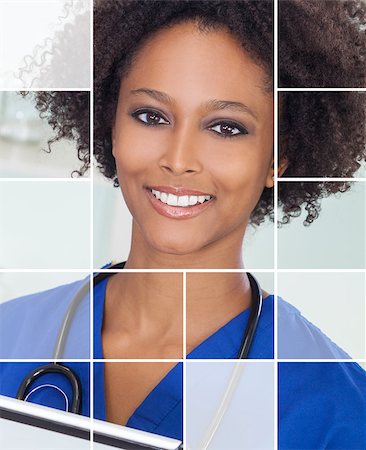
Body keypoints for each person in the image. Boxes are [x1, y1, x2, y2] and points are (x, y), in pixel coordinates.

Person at [1, 1, 366, 448]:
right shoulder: (10, 337)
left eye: (226, 128)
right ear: (111, 125)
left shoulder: (338, 411)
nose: (178, 160)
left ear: (278, 158)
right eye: (151, 116)